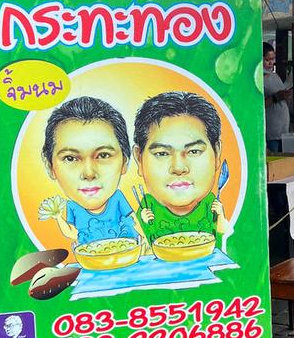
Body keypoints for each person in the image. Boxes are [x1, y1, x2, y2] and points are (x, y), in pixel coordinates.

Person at [132, 91, 231, 245]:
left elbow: (225, 237)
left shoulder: (211, 204)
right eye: (162, 153)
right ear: (139, 159)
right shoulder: (147, 205)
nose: (178, 168)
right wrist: (143, 220)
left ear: (216, 153)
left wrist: (220, 218)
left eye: (194, 151)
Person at [40, 96, 139, 246]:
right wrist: (57, 216)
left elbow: (134, 222)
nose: (89, 173)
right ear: (50, 166)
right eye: (70, 158)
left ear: (125, 161)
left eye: (103, 155)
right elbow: (72, 233)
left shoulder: (118, 199)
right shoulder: (71, 208)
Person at [263, 42, 290, 152]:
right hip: (271, 133)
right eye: (267, 60)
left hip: (283, 130)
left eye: (273, 59)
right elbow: (256, 105)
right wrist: (275, 98)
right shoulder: (258, 79)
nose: (271, 63)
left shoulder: (275, 76)